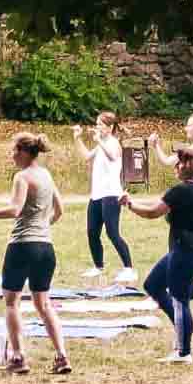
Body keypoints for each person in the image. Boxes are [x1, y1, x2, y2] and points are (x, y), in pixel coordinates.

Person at [0, 133, 72, 376]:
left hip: (22, 246)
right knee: (43, 304)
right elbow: (60, 210)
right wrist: (44, 227)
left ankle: (18, 357)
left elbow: (15, 209)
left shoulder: (22, 177)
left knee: (12, 302)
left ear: (25, 152)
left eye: (15, 151)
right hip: (45, 248)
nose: (12, 155)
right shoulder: (46, 175)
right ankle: (62, 355)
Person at [126, 147, 193, 364]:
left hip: (185, 253)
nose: (176, 166)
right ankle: (181, 326)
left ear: (188, 167)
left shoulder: (180, 191)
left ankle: (183, 352)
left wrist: (129, 204)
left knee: (180, 299)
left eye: (179, 163)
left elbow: (153, 212)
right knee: (153, 285)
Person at [72, 111, 136, 284]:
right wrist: (77, 138)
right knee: (92, 232)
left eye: (100, 124)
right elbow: (86, 157)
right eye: (97, 124)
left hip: (111, 194)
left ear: (110, 127)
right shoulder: (101, 144)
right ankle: (98, 267)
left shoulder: (114, 143)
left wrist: (99, 141)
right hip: (97, 194)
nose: (97, 127)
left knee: (112, 232)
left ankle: (129, 268)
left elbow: (113, 156)